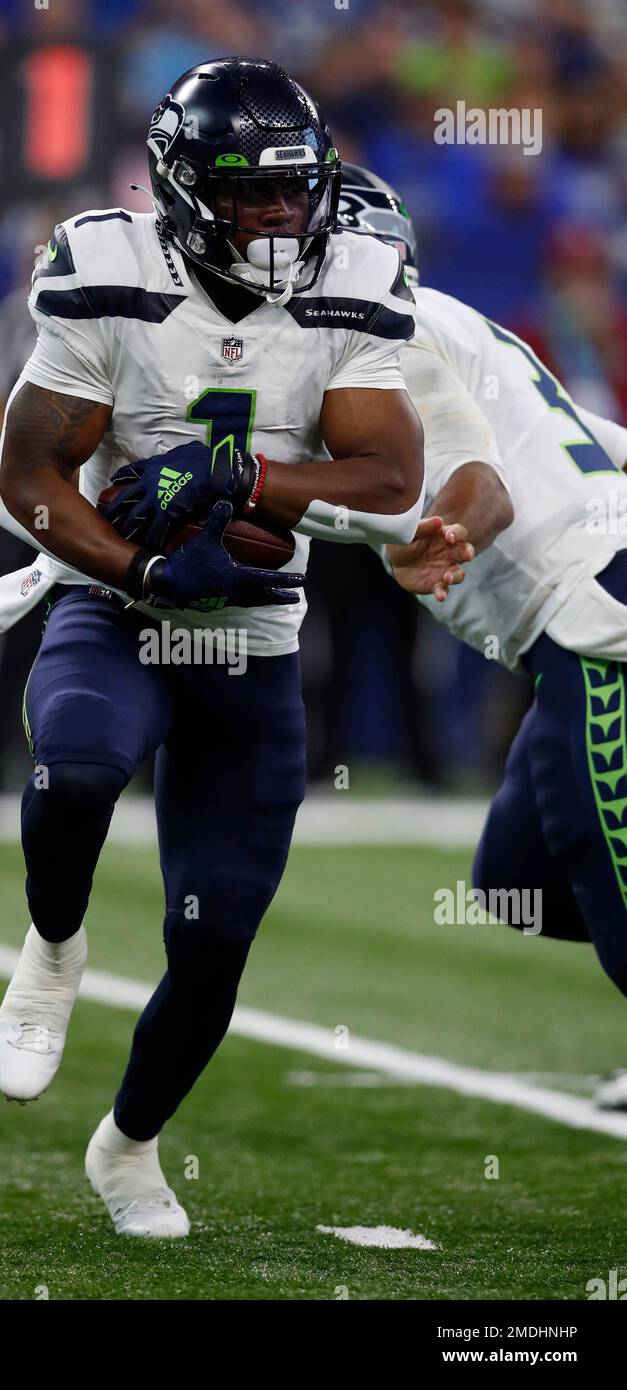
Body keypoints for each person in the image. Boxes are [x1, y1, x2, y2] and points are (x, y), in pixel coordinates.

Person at [0, 60, 466, 1236]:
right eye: (254, 195)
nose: (282, 218)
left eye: (297, 192)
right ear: (189, 193)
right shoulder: (112, 275)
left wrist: (239, 472)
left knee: (212, 944)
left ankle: (129, 1146)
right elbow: (24, 476)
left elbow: (394, 477)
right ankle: (53, 944)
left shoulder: (350, 277)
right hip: (122, 604)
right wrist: (146, 567)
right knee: (79, 766)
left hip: (254, 627)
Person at [338, 165, 627, 1109]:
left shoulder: (396, 335)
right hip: (577, 609)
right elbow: (598, 438)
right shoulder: (453, 324)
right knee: (513, 878)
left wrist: (447, 532)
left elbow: (485, 486)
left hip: (591, 612)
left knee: (605, 870)